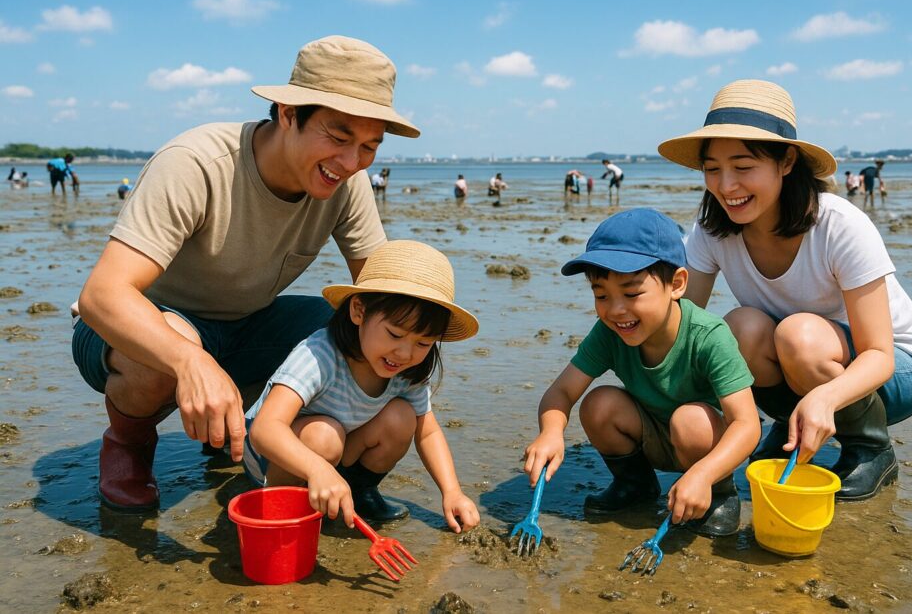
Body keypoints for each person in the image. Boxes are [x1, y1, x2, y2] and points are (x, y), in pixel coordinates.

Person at [71, 35, 421, 512]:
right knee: (175, 343)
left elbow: (385, 294)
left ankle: (329, 469)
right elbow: (102, 295)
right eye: (338, 138)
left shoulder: (347, 183)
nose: (350, 162)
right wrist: (192, 363)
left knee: (347, 327)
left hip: (249, 326)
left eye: (368, 147)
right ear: (287, 112)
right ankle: (129, 444)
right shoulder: (196, 163)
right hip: (141, 331)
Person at [658, 79, 912, 502]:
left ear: (786, 161)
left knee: (798, 335)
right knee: (738, 329)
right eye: (712, 169)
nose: (726, 185)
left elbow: (879, 355)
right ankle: (790, 426)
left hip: (899, 368)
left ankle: (871, 448)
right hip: (808, 362)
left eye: (744, 166)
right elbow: (680, 320)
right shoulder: (713, 228)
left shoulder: (837, 224)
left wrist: (825, 396)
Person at [522, 208, 759, 536]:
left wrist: (704, 473)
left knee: (690, 421)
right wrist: (550, 432)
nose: (616, 309)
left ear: (676, 284)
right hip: (650, 435)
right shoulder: (609, 333)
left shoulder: (709, 335)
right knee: (598, 403)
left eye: (632, 293)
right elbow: (561, 393)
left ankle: (720, 493)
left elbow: (746, 425)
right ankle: (635, 484)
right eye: (601, 294)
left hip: (704, 444)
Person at [244, 240, 481, 528]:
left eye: (423, 342)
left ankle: (357, 493)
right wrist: (317, 468)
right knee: (323, 437)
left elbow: (427, 433)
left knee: (402, 418)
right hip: (276, 458)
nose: (405, 354)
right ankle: (284, 503)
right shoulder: (319, 355)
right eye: (394, 334)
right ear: (359, 311)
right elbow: (264, 430)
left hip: (335, 452)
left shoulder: (407, 370)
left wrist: (452, 492)